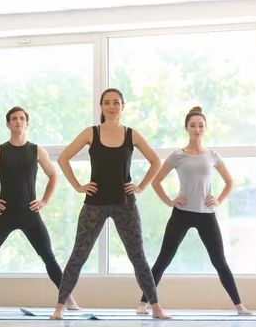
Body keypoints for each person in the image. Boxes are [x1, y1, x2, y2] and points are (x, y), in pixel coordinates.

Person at [50, 88, 169, 320]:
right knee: (79, 255)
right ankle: (59, 307)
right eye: (107, 103)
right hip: (95, 204)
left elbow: (155, 161)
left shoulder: (131, 135)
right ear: (101, 107)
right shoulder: (91, 133)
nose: (111, 106)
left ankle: (155, 307)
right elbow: (63, 158)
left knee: (138, 256)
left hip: (125, 204)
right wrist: (78, 185)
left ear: (123, 106)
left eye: (116, 102)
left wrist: (142, 186)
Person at [0, 107, 79, 311]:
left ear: (27, 123)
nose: (18, 121)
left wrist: (45, 201)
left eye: (22, 118)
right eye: (14, 118)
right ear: (8, 124)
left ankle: (68, 298)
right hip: (4, 213)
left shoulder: (37, 150)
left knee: (48, 256)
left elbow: (54, 175)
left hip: (29, 213)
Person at [136, 107, 252, 316]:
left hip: (207, 214)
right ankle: (143, 304)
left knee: (220, 262)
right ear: (186, 128)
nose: (197, 129)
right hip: (182, 213)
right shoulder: (178, 155)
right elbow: (156, 182)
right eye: (193, 125)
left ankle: (239, 306)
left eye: (200, 125)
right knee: (164, 259)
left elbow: (229, 181)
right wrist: (170, 201)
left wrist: (218, 199)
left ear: (205, 129)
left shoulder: (212, 155)